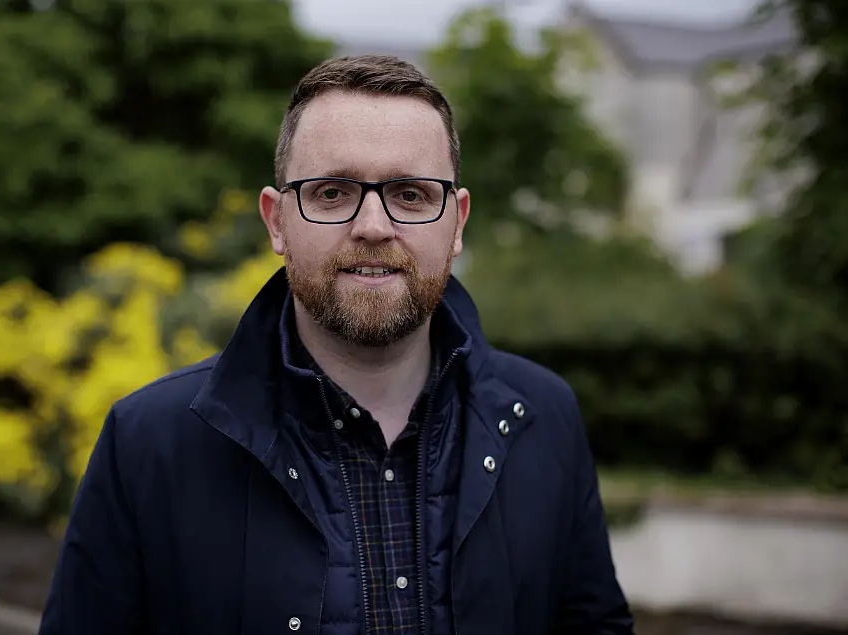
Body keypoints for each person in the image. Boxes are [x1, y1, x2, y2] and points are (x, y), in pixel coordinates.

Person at [38, 54, 633, 635]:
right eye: (331, 192)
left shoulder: (545, 417)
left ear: (457, 223)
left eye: (410, 194)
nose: (373, 226)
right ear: (277, 222)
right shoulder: (148, 442)